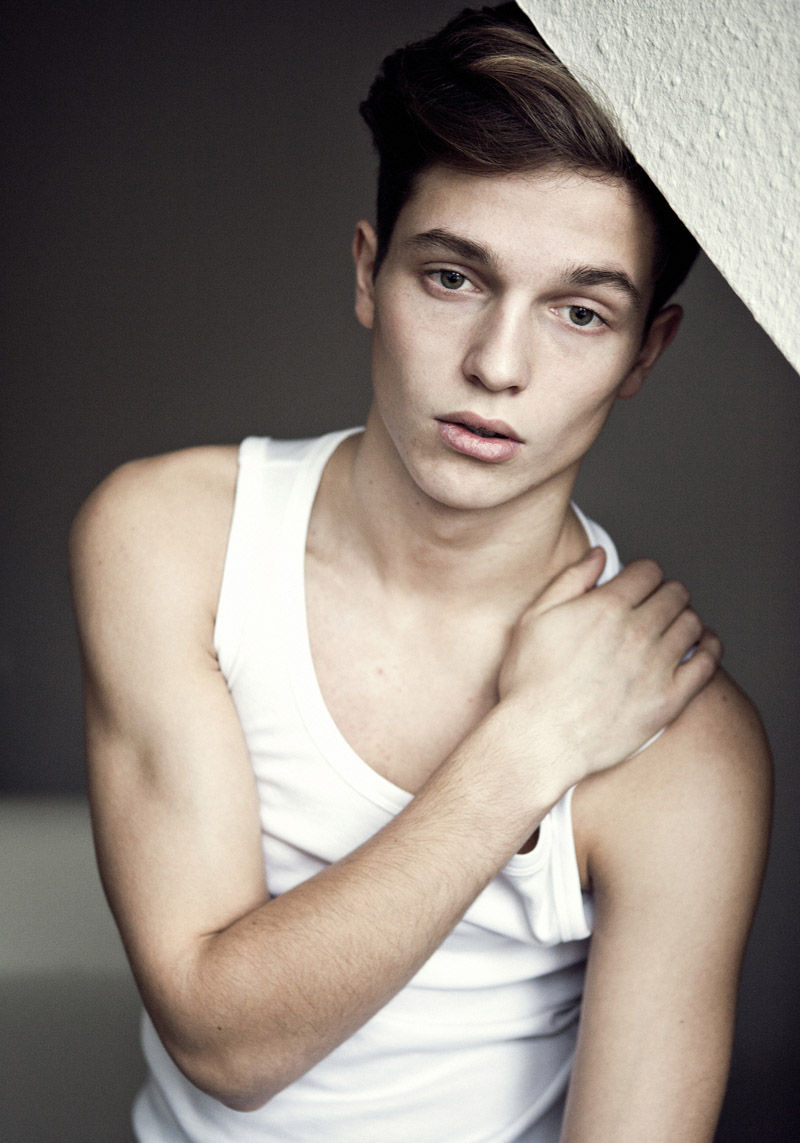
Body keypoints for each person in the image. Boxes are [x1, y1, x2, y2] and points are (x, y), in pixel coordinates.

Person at [70, 5, 771, 1140]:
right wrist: (527, 746)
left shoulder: (682, 744)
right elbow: (222, 1042)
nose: (498, 364)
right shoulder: (173, 541)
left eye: (579, 312)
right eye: (452, 278)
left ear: (644, 351)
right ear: (369, 273)